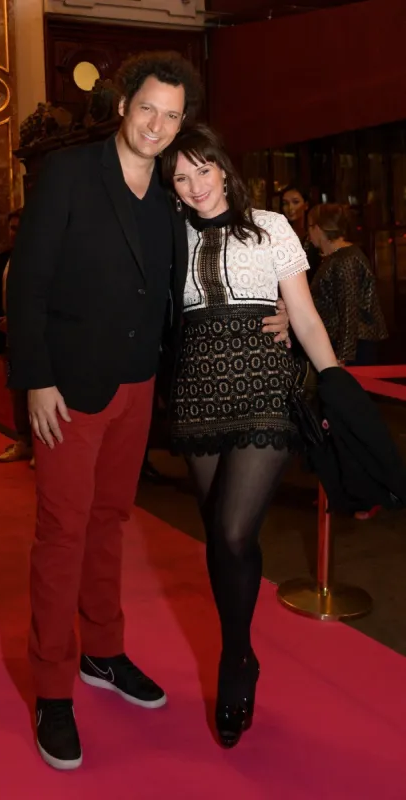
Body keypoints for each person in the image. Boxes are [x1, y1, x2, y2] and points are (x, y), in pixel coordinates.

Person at [8, 51, 290, 771]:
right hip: (69, 390)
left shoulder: (170, 197)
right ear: (123, 106)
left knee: (109, 525)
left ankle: (102, 651)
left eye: (171, 116)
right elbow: (28, 281)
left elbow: (223, 260)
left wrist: (282, 310)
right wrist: (36, 379)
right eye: (147, 110)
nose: (157, 126)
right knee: (62, 535)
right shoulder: (69, 173)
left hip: (138, 386)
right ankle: (52, 690)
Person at [160, 123, 338, 749]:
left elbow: (305, 315)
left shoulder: (270, 226)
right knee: (219, 537)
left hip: (263, 383)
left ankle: (234, 659)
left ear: (223, 166)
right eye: (180, 177)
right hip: (198, 389)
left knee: (235, 531)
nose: (195, 186)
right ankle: (241, 650)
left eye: (203, 169)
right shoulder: (171, 236)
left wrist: (335, 383)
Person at [308, 203, 388, 366]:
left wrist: (343, 356)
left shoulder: (346, 259)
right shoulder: (336, 257)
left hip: (355, 345)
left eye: (309, 226)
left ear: (318, 228)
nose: (308, 233)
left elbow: (349, 308)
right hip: (346, 341)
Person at [0, 209, 33, 464]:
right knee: (16, 392)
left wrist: (19, 322)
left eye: (20, 228)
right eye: (12, 228)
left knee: (36, 392)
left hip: (35, 342)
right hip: (9, 341)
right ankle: (23, 441)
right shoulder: (3, 259)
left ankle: (42, 447)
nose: (15, 234)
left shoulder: (41, 259)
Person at [280, 184, 321, 278]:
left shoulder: (315, 233)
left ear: (306, 205)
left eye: (295, 202)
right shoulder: (280, 235)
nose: (290, 208)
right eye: (285, 203)